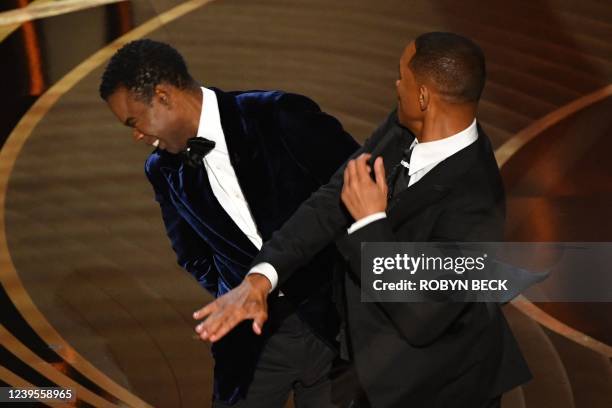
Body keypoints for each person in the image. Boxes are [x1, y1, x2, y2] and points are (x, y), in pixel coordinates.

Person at [193, 32, 533, 407]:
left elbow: (423, 317)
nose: (396, 85)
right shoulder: (406, 126)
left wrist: (370, 223)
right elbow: (329, 201)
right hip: (370, 365)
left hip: (441, 387)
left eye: (402, 76)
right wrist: (262, 277)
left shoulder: (476, 202)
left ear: (423, 97)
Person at [98, 39, 360, 407]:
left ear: (163, 96)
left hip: (333, 326)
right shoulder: (161, 170)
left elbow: (363, 191)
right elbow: (191, 253)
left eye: (134, 121)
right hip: (249, 342)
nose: (136, 135)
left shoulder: (279, 115)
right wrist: (234, 290)